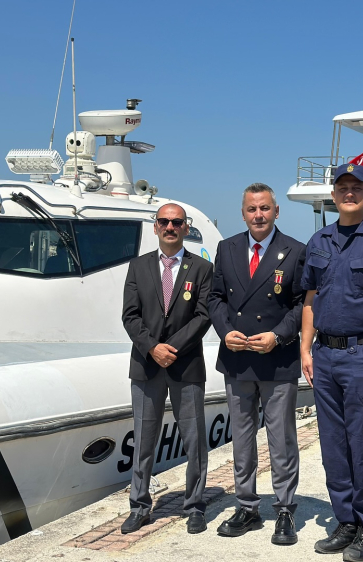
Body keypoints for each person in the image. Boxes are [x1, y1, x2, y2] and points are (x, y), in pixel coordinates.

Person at [301, 163, 363, 562]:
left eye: (357, 187)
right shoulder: (319, 240)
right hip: (324, 355)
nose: (349, 193)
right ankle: (345, 520)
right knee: (332, 444)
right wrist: (305, 349)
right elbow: (310, 297)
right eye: (342, 187)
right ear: (333, 194)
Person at [208, 183, 306, 545]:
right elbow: (215, 298)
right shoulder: (227, 248)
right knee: (242, 439)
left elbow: (302, 304)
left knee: (281, 440)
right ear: (243, 213)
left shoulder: (295, 251)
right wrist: (225, 331)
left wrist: (278, 336)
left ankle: (285, 509)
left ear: (276, 212)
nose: (259, 215)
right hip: (237, 358)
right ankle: (247, 506)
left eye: (265, 208)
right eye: (252, 209)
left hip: (277, 359)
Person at [121, 203, 214, 535]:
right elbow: (130, 315)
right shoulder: (138, 266)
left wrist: (171, 348)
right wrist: (152, 347)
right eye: (164, 222)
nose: (170, 227)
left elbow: (204, 315)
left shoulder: (202, 268)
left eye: (176, 222)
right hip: (146, 365)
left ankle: (195, 506)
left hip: (185, 365)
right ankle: (139, 506)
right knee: (144, 440)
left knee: (194, 440)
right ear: (155, 227)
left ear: (186, 228)